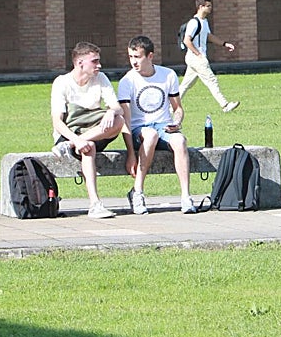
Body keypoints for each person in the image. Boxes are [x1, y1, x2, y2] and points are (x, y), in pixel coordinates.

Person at [118, 35, 196, 214]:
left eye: (138, 57)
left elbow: (178, 109)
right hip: (141, 130)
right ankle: (137, 192)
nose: (133, 62)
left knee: (180, 140)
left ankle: (186, 196)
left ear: (150, 56)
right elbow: (126, 121)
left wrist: (176, 122)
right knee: (150, 134)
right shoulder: (127, 81)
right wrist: (131, 153)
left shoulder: (167, 75)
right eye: (131, 57)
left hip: (163, 126)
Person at [50, 41, 129, 219]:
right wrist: (76, 140)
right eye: (94, 61)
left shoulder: (100, 78)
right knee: (88, 147)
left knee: (119, 119)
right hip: (70, 133)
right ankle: (95, 204)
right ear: (80, 63)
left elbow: (117, 107)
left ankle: (69, 146)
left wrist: (111, 111)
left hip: (92, 132)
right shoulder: (62, 83)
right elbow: (57, 122)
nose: (99, 65)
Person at [178, 0, 240, 113]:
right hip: (196, 58)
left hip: (195, 58)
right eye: (208, 6)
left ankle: (171, 107)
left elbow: (209, 36)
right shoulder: (194, 22)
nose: (210, 8)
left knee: (186, 85)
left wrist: (224, 44)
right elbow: (187, 40)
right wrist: (198, 54)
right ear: (200, 7)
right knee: (211, 80)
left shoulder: (204, 22)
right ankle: (225, 105)